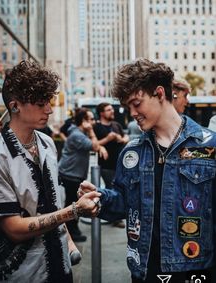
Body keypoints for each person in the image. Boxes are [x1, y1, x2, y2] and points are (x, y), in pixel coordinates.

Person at [78, 58, 216, 283]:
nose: (132, 112)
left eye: (136, 103)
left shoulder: (209, 146)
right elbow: (124, 202)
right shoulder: (131, 152)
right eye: (127, 106)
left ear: (160, 93)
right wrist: (98, 199)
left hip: (196, 270)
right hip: (144, 271)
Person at [0, 60, 101, 283]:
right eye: (40, 102)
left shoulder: (46, 143)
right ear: (15, 106)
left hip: (60, 267)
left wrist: (70, 241)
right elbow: (14, 228)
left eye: (49, 100)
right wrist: (74, 210)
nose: (49, 108)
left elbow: (50, 204)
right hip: (20, 275)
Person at [58, 108, 107, 242]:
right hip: (70, 173)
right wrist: (91, 132)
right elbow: (95, 146)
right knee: (73, 203)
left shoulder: (78, 132)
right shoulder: (77, 135)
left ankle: (72, 230)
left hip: (72, 172)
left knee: (72, 201)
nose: (94, 122)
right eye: (91, 119)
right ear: (84, 121)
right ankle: (71, 233)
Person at [93, 102, 129, 228]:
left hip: (120, 164)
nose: (112, 111)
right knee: (111, 188)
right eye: (108, 110)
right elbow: (94, 144)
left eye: (111, 109)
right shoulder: (96, 127)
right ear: (102, 113)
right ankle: (115, 218)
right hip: (106, 165)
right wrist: (108, 139)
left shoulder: (116, 125)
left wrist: (121, 139)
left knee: (119, 188)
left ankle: (114, 215)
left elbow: (126, 137)